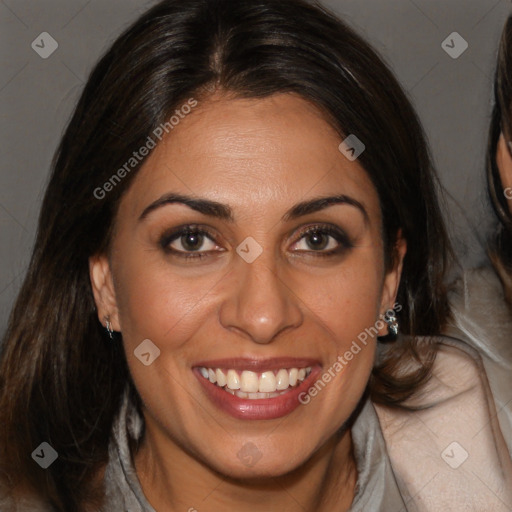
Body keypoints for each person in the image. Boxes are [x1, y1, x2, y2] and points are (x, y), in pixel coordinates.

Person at [0, 1, 510, 510]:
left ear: (389, 279)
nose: (263, 315)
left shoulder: (480, 465)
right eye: (193, 241)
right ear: (105, 284)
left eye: (317, 240)